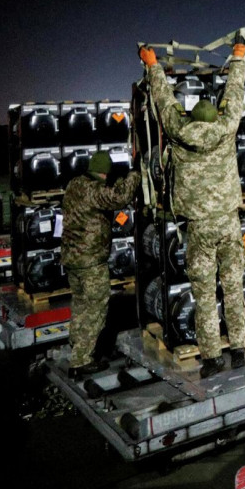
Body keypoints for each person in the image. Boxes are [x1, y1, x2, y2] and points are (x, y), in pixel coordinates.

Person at [140, 37, 245, 378]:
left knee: (203, 293)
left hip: (199, 228)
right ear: (215, 117)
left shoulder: (179, 133)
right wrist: (238, 56)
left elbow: (164, 102)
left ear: (192, 119)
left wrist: (152, 64)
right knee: (233, 287)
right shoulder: (226, 129)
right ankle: (240, 348)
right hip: (229, 224)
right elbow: (234, 94)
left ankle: (213, 358)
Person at [61, 151, 141, 378]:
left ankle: (77, 346)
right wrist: (134, 175)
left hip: (72, 259)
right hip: (91, 261)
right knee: (96, 309)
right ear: (104, 172)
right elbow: (119, 197)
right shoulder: (94, 190)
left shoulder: (75, 184)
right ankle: (81, 361)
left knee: (80, 306)